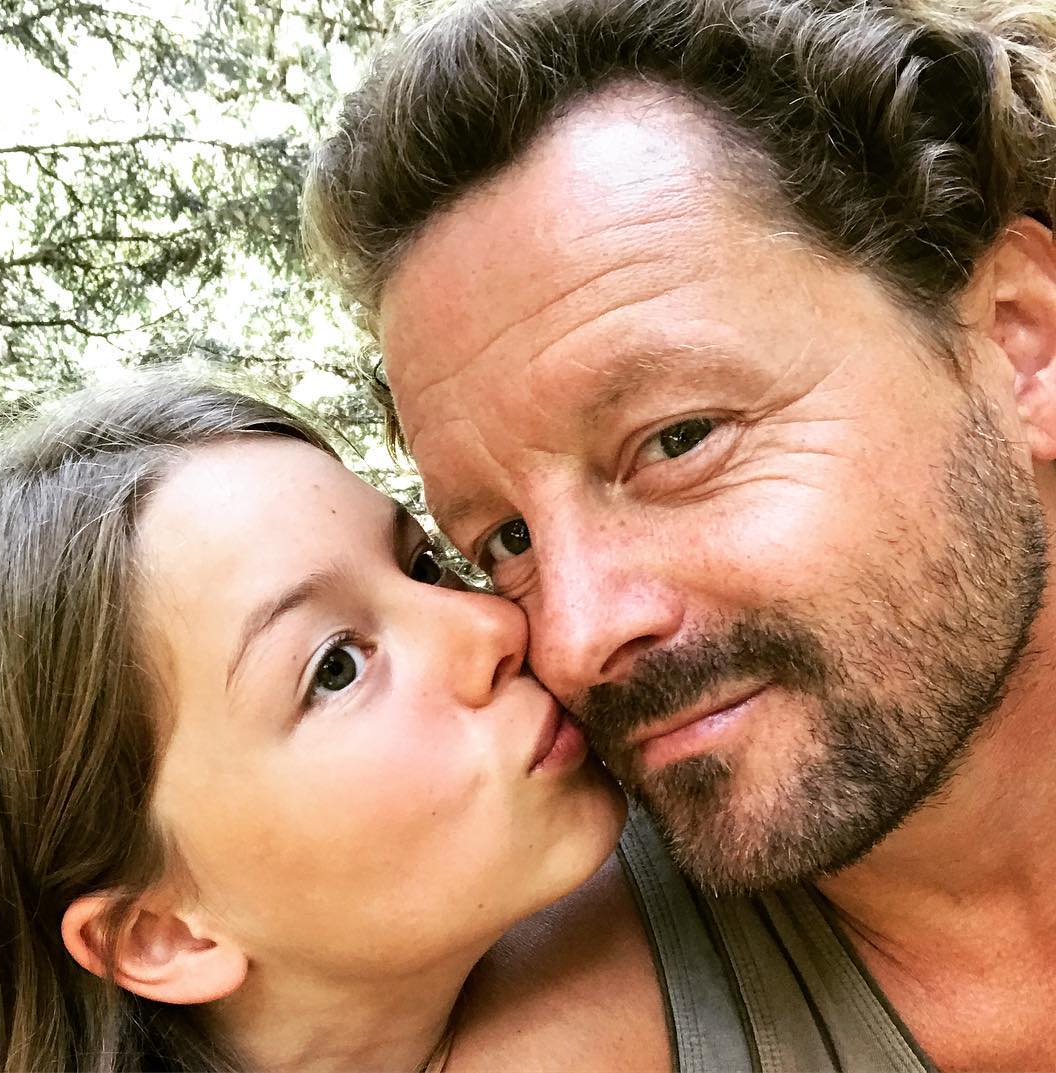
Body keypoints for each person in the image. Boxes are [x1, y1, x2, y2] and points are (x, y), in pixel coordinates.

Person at [304, 0, 1056, 1069]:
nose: (575, 638)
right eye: (507, 539)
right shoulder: (570, 1033)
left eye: (678, 438)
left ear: (1019, 346)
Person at [0, 370, 644, 1073]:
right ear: (161, 934)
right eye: (335, 669)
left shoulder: (698, 832)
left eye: (423, 566)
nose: (494, 623)